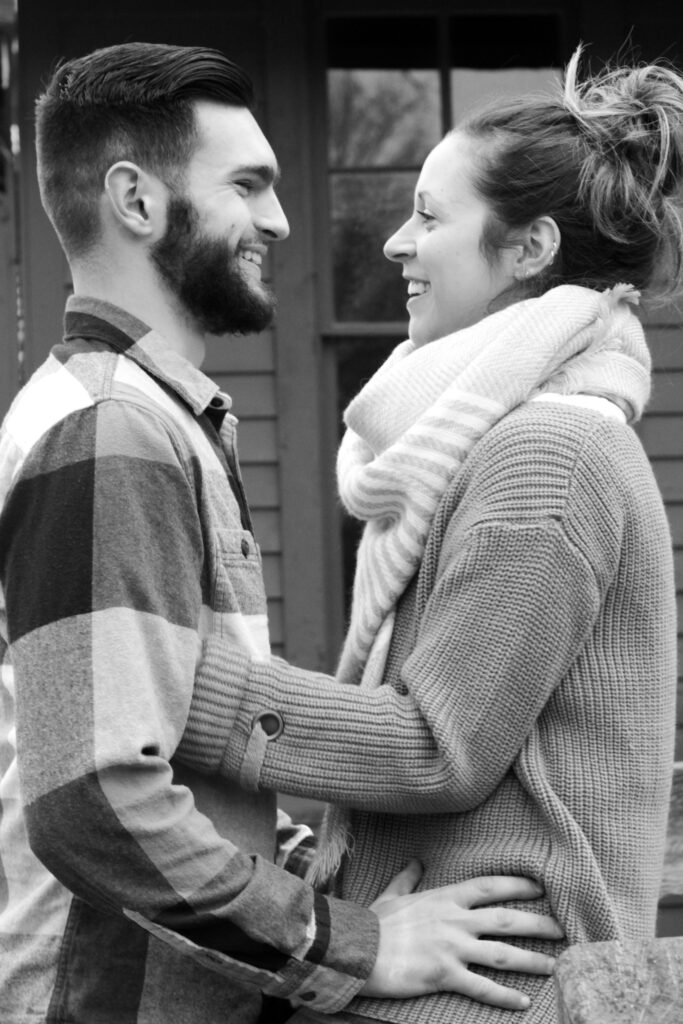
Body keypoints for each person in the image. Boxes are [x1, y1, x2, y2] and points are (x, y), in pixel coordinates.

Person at [0, 42, 564, 1024]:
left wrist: (312, 872)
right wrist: (356, 942)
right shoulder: (113, 429)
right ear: (136, 201)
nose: (281, 218)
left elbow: (169, 744)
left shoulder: (150, 418)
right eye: (248, 184)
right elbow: (92, 798)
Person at [178, 48, 681, 1023]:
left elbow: (436, 745)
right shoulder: (494, 439)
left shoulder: (548, 452)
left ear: (529, 248)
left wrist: (188, 684)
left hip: (485, 993)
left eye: (430, 215)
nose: (394, 244)